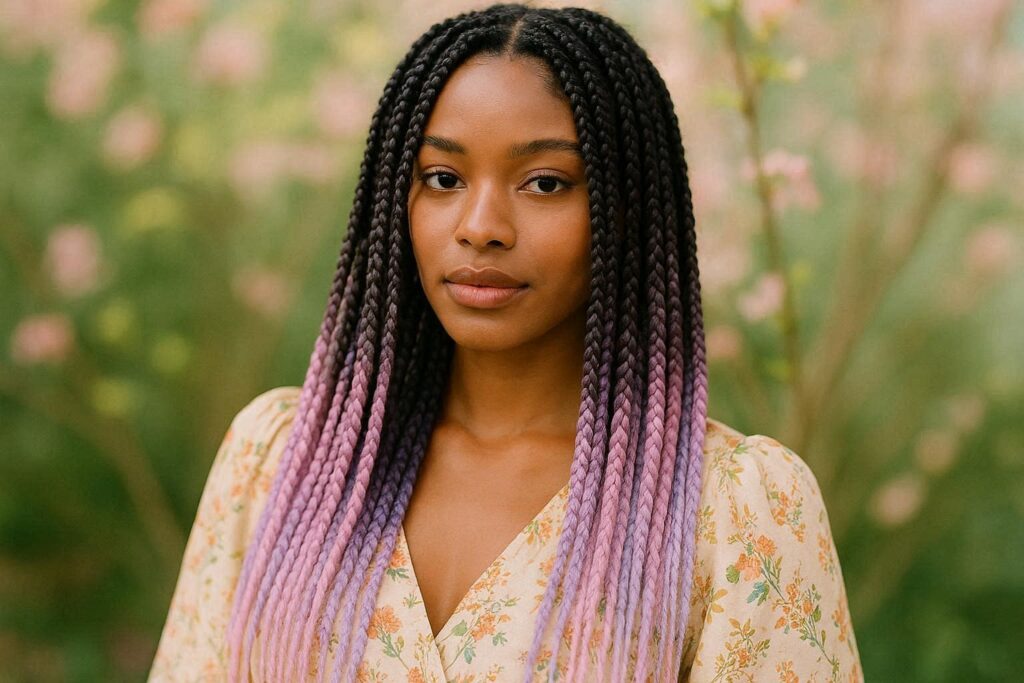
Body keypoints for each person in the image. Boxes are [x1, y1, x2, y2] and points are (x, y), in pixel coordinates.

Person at [149, 4, 862, 681]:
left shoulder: (736, 509)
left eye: (546, 182)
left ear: (622, 212)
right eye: (443, 178)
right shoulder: (281, 462)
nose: (481, 224)